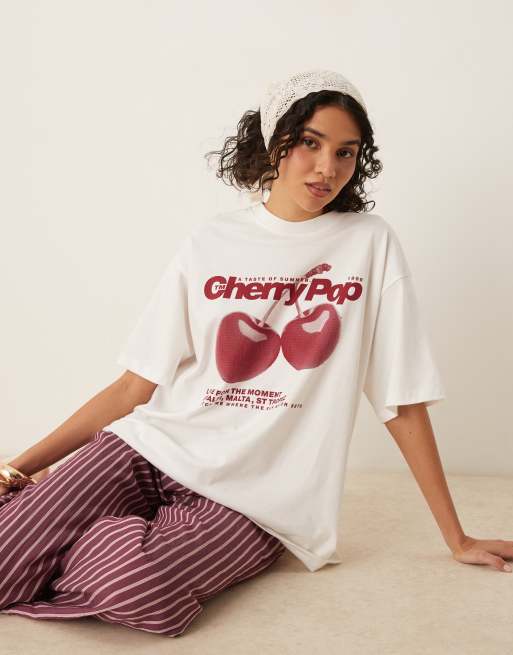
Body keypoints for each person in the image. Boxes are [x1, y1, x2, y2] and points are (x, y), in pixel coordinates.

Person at [1, 68, 511, 640]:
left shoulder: (369, 242)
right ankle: (56, 522)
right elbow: (133, 386)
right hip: (150, 448)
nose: (328, 168)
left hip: (254, 500)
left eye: (346, 152)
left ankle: (80, 534)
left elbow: (402, 400)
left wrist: (456, 537)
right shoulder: (211, 240)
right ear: (275, 142)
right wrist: (14, 470)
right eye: (310, 143)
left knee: (134, 587)